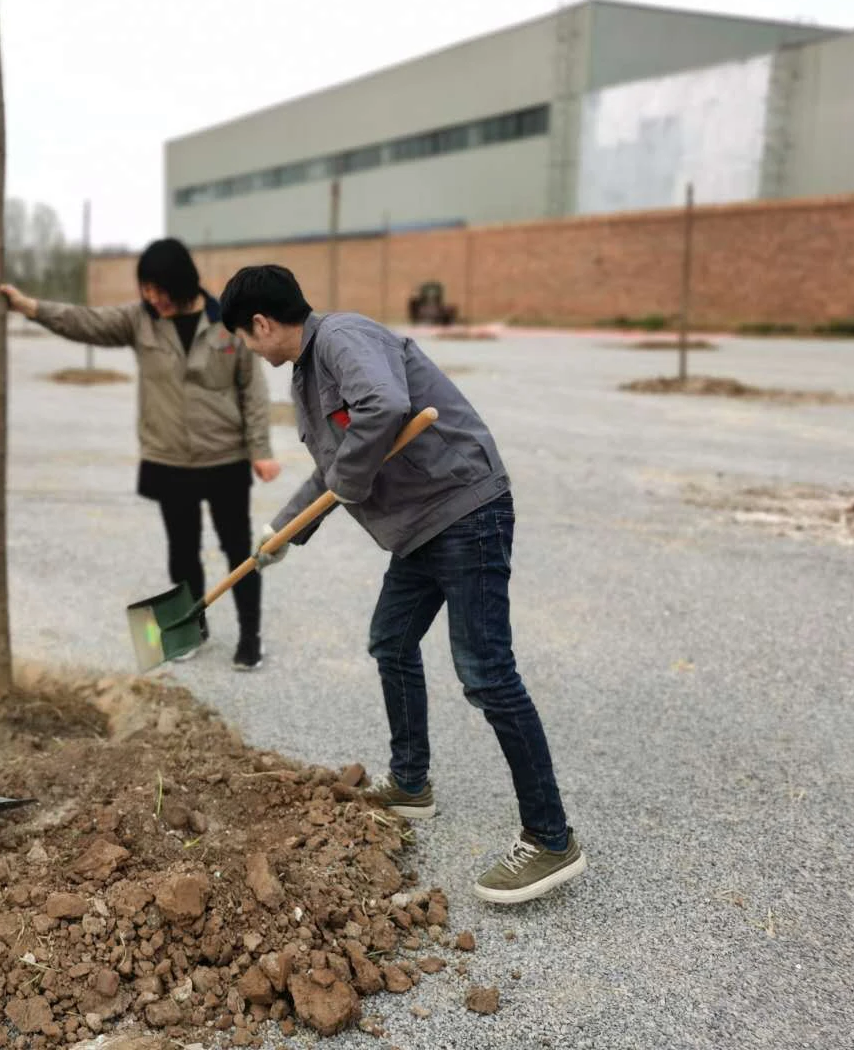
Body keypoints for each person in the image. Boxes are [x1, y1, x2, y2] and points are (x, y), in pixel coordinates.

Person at [219, 264, 586, 904]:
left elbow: (385, 408)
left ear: (261, 323)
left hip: (464, 509)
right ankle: (411, 783)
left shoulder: (341, 338)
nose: (251, 351)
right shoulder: (308, 374)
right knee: (390, 640)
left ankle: (551, 838)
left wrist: (351, 482)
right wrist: (279, 534)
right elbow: (335, 473)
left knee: (486, 673)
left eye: (247, 339)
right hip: (420, 526)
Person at [0, 239, 279, 670]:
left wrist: (260, 449)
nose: (151, 299)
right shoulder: (138, 320)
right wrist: (29, 307)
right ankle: (192, 629)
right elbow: (84, 321)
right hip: (168, 459)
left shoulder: (226, 321)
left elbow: (253, 389)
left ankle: (250, 637)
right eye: (146, 290)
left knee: (238, 549)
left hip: (225, 457)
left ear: (182, 283)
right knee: (182, 552)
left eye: (158, 290)